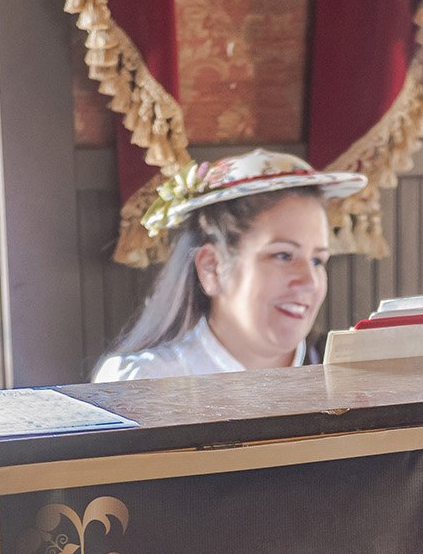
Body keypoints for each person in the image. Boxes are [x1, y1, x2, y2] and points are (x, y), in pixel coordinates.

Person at [93, 150, 366, 381]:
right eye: (283, 255)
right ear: (212, 267)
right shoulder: (144, 384)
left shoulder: (347, 378)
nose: (309, 281)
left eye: (318, 260)